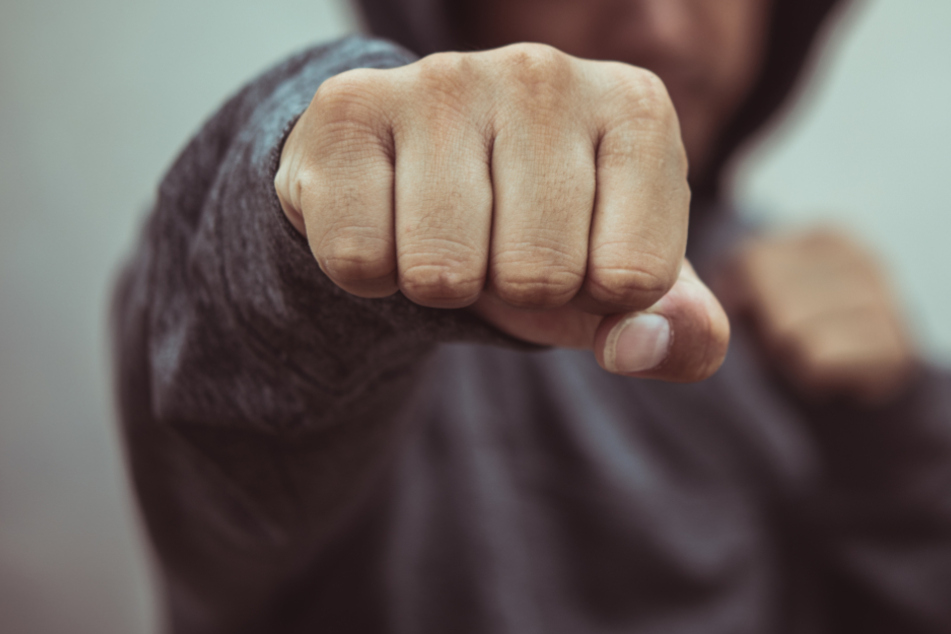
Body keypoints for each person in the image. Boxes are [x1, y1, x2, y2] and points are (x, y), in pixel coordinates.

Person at [112, 0, 951, 631]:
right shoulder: (349, 282)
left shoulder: (794, 304)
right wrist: (330, 172)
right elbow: (223, 356)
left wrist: (893, 431)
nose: (660, 23)